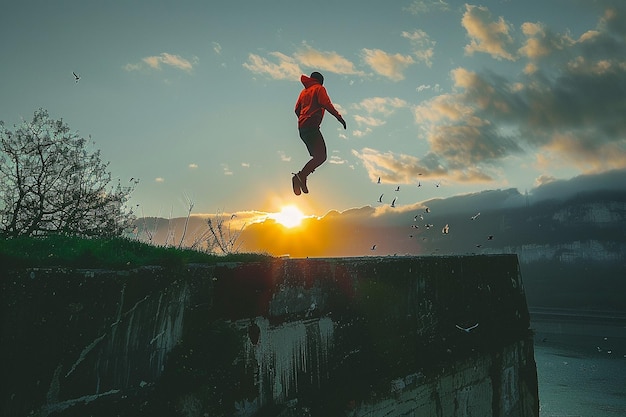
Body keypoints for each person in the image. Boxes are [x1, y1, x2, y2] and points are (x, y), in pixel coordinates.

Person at [292, 71, 346, 195]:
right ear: (320, 81)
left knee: (317, 156)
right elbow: (326, 103)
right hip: (311, 127)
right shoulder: (319, 88)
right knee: (321, 157)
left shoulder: (303, 92)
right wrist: (339, 117)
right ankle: (300, 176)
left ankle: (302, 176)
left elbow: (296, 110)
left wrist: (302, 119)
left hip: (302, 128)